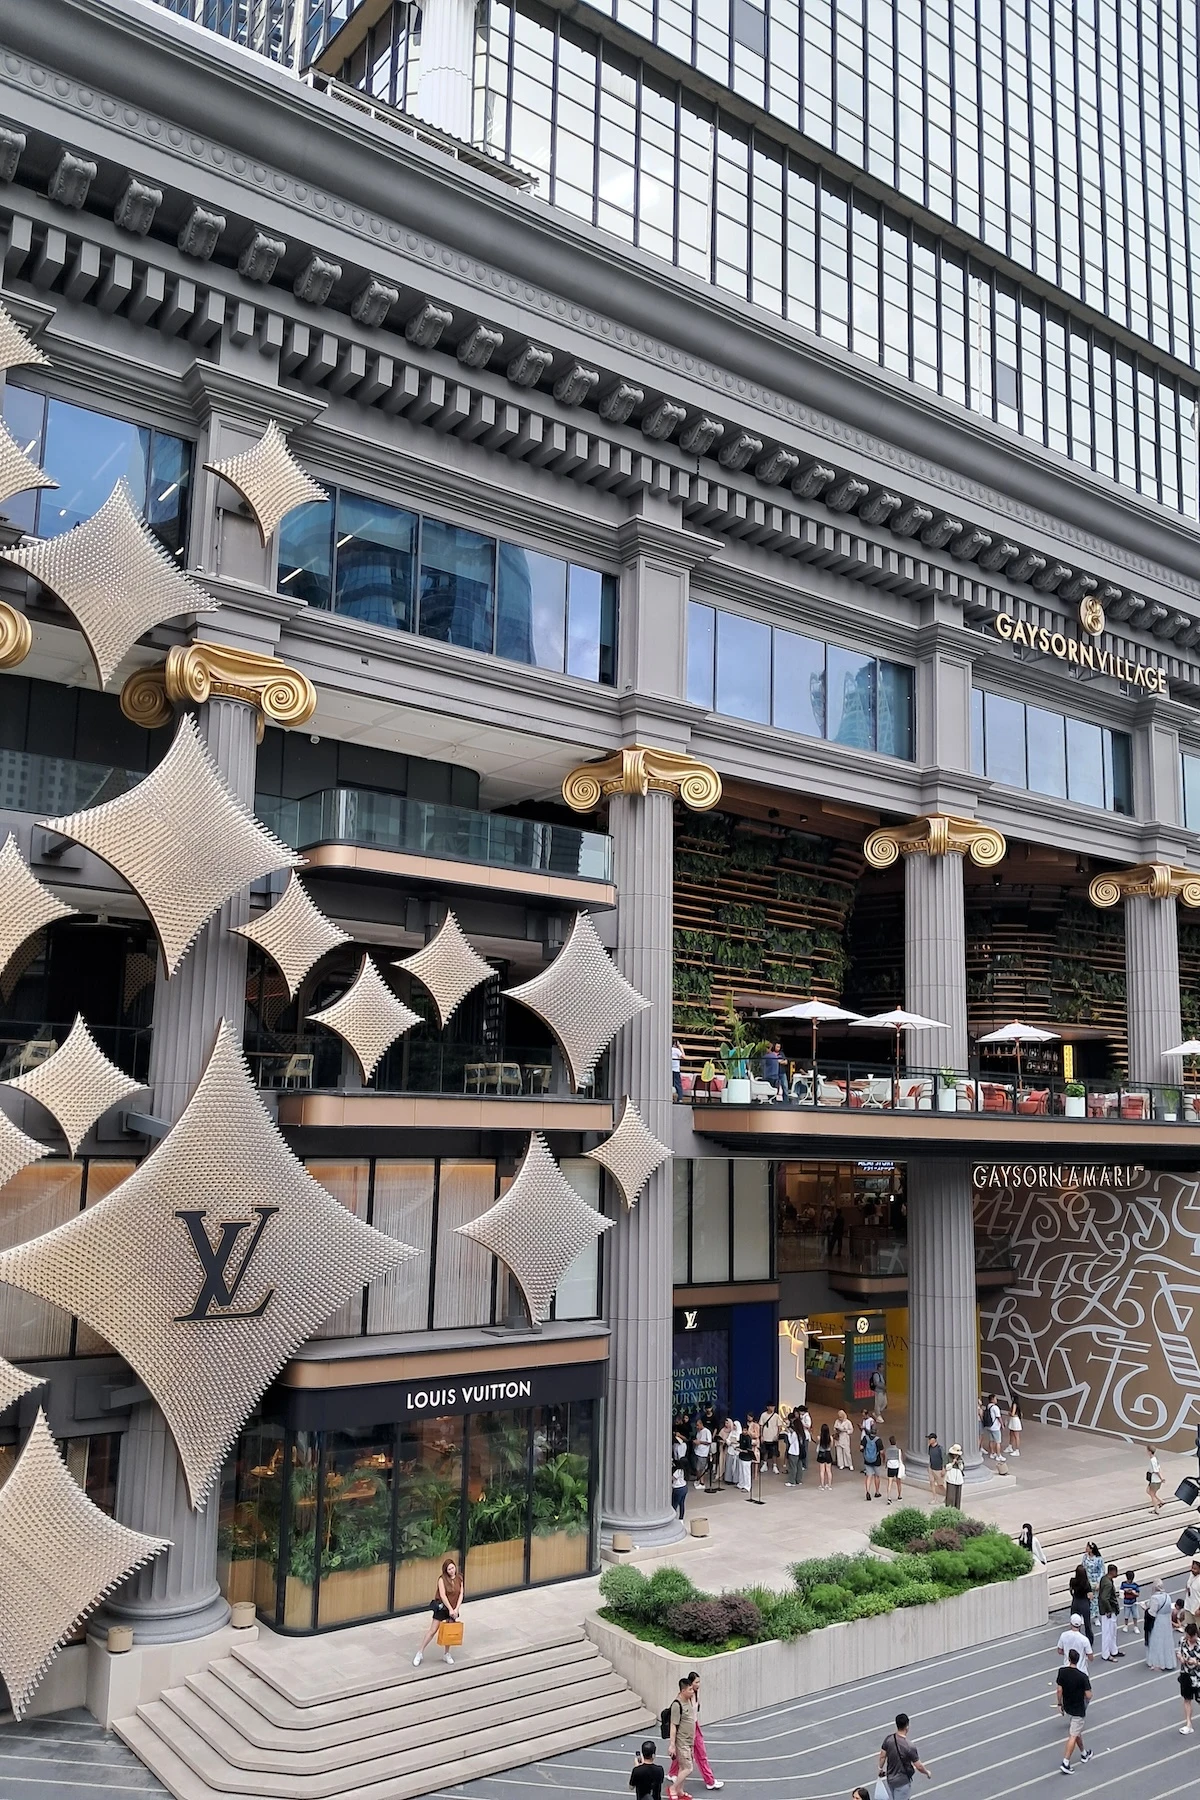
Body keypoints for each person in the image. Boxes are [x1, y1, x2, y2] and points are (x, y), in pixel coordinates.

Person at [669, 1671, 723, 1791]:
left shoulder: (695, 1694)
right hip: (686, 1730)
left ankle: (709, 1780)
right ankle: (709, 1781)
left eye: (699, 1682)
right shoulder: (682, 1699)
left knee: (697, 1753)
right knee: (690, 1755)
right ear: (689, 1684)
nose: (698, 1685)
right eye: (696, 1682)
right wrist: (672, 1743)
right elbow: (675, 1721)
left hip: (694, 1727)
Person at [413, 1556, 464, 1667]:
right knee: (433, 1630)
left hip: (453, 1609)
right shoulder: (442, 1579)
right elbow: (442, 1595)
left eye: (453, 1568)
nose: (452, 1570)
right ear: (445, 1570)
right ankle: (420, 1652)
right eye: (449, 1569)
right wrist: (450, 1609)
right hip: (443, 1608)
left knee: (449, 1630)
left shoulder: (459, 1578)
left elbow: (461, 1594)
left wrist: (456, 1609)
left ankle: (447, 1653)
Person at [1055, 1647, 1093, 1772]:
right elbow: (1089, 1695)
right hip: (1078, 1708)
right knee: (1073, 1734)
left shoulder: (1062, 1672)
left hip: (1068, 1706)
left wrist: (1059, 1704)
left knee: (1076, 1731)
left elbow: (1059, 1690)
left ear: (1068, 1658)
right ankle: (1066, 1762)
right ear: (1078, 1660)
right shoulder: (1082, 1677)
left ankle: (1083, 1753)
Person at [878, 1712, 930, 1800]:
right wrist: (927, 1772)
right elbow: (919, 1766)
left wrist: (880, 1769)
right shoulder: (909, 1746)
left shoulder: (889, 1739)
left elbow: (882, 1756)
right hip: (902, 1782)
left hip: (890, 1779)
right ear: (907, 1726)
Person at [667, 1676, 697, 1800]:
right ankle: (673, 1788)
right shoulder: (677, 1704)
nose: (692, 1691)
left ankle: (680, 1791)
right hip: (682, 1741)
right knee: (688, 1768)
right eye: (690, 1689)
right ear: (683, 1690)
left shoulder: (688, 1700)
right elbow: (673, 1726)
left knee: (682, 1767)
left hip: (689, 1741)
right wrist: (672, 1745)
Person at [1146, 1578, 1176, 1670]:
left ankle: (1158, 1662)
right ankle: (1169, 1662)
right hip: (1166, 1621)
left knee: (1157, 1641)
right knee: (1167, 1641)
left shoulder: (1155, 1598)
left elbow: (1152, 1612)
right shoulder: (1167, 1596)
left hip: (1158, 1621)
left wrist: (1145, 1608)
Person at [1097, 1564, 1122, 1661]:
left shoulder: (1105, 1579)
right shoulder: (1108, 1583)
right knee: (1107, 1633)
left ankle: (1113, 1650)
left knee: (1112, 1631)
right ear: (1112, 1572)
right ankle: (1106, 1654)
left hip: (1109, 1610)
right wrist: (1108, 1610)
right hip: (1109, 1611)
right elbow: (1104, 1598)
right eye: (1116, 1572)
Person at [1179, 1622, 1200, 1734]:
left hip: (1198, 1677)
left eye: (1192, 1636)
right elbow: (1179, 1652)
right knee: (1187, 1699)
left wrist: (1196, 1662)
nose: (1190, 1639)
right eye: (1188, 1636)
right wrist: (1181, 1658)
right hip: (1186, 1675)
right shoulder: (1183, 1642)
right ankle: (1188, 1724)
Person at [862, 1421, 883, 1501]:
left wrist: (865, 1453)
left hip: (867, 1460)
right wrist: (883, 1458)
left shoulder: (865, 1438)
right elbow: (881, 1452)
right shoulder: (878, 1440)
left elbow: (861, 1447)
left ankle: (867, 1491)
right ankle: (877, 1492)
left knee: (868, 1476)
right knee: (877, 1476)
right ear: (876, 1431)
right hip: (876, 1460)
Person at [760, 1404, 783, 1473]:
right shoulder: (763, 1415)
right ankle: (764, 1464)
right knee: (765, 1452)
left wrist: (777, 1435)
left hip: (773, 1438)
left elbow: (779, 1426)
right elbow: (761, 1426)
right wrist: (761, 1436)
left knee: (774, 1452)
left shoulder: (776, 1416)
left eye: (773, 1407)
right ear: (767, 1407)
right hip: (765, 1437)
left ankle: (774, 1466)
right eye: (771, 1406)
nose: (772, 1408)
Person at [692, 1418, 713, 1491]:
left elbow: (709, 1442)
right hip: (697, 1451)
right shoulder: (698, 1432)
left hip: (703, 1453)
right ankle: (698, 1480)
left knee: (701, 1468)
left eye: (698, 1425)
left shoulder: (707, 1431)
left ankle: (702, 1483)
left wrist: (700, 1442)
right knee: (697, 1468)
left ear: (701, 1424)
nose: (697, 1427)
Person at [784, 1414, 804, 1487]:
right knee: (799, 1466)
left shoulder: (795, 1433)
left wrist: (789, 1433)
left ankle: (792, 1481)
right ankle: (798, 1480)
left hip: (793, 1452)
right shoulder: (801, 1433)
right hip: (799, 1452)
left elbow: (791, 1441)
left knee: (792, 1467)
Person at [885, 1435, 904, 1504]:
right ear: (896, 1442)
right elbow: (901, 1459)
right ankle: (899, 1496)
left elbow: (886, 1459)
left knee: (890, 1482)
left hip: (890, 1467)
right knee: (898, 1483)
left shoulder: (887, 1450)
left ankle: (888, 1497)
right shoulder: (898, 1450)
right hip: (897, 1467)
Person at [944, 1444, 965, 1508]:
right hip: (951, 1478)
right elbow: (946, 1467)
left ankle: (957, 1509)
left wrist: (959, 1463)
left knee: (957, 1496)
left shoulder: (960, 1458)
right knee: (950, 1496)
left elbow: (962, 1468)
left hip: (958, 1478)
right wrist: (952, 1463)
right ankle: (949, 1508)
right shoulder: (948, 1456)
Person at [926, 1431, 945, 1498]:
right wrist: (929, 1466)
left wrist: (943, 1469)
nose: (929, 1440)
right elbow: (930, 1457)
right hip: (931, 1468)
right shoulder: (930, 1447)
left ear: (934, 1439)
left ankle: (947, 1495)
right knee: (932, 1483)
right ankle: (934, 1498)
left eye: (930, 1439)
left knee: (940, 1484)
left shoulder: (940, 1448)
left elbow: (943, 1459)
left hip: (938, 1469)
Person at [1147, 1445, 1164, 1512]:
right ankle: (1161, 1501)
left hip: (1155, 1480)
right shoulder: (1155, 1459)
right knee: (1148, 1491)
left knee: (1152, 1494)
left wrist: (1161, 1478)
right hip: (1154, 1479)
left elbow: (1156, 1471)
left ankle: (1156, 1509)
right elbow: (1159, 1468)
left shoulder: (1152, 1460)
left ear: (1150, 1452)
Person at [1184, 1557, 1200, 1629]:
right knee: (1190, 1628)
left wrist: (1199, 1610)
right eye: (1192, 1567)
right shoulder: (1191, 1574)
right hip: (1189, 1606)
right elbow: (1188, 1584)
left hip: (1197, 1609)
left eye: (1195, 1569)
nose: (1192, 1570)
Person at [817, 1421, 834, 1487]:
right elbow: (831, 1446)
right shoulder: (831, 1438)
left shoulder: (819, 1437)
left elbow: (818, 1444)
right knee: (828, 1470)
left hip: (821, 1453)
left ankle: (822, 1484)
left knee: (822, 1471)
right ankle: (829, 1485)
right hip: (828, 1453)